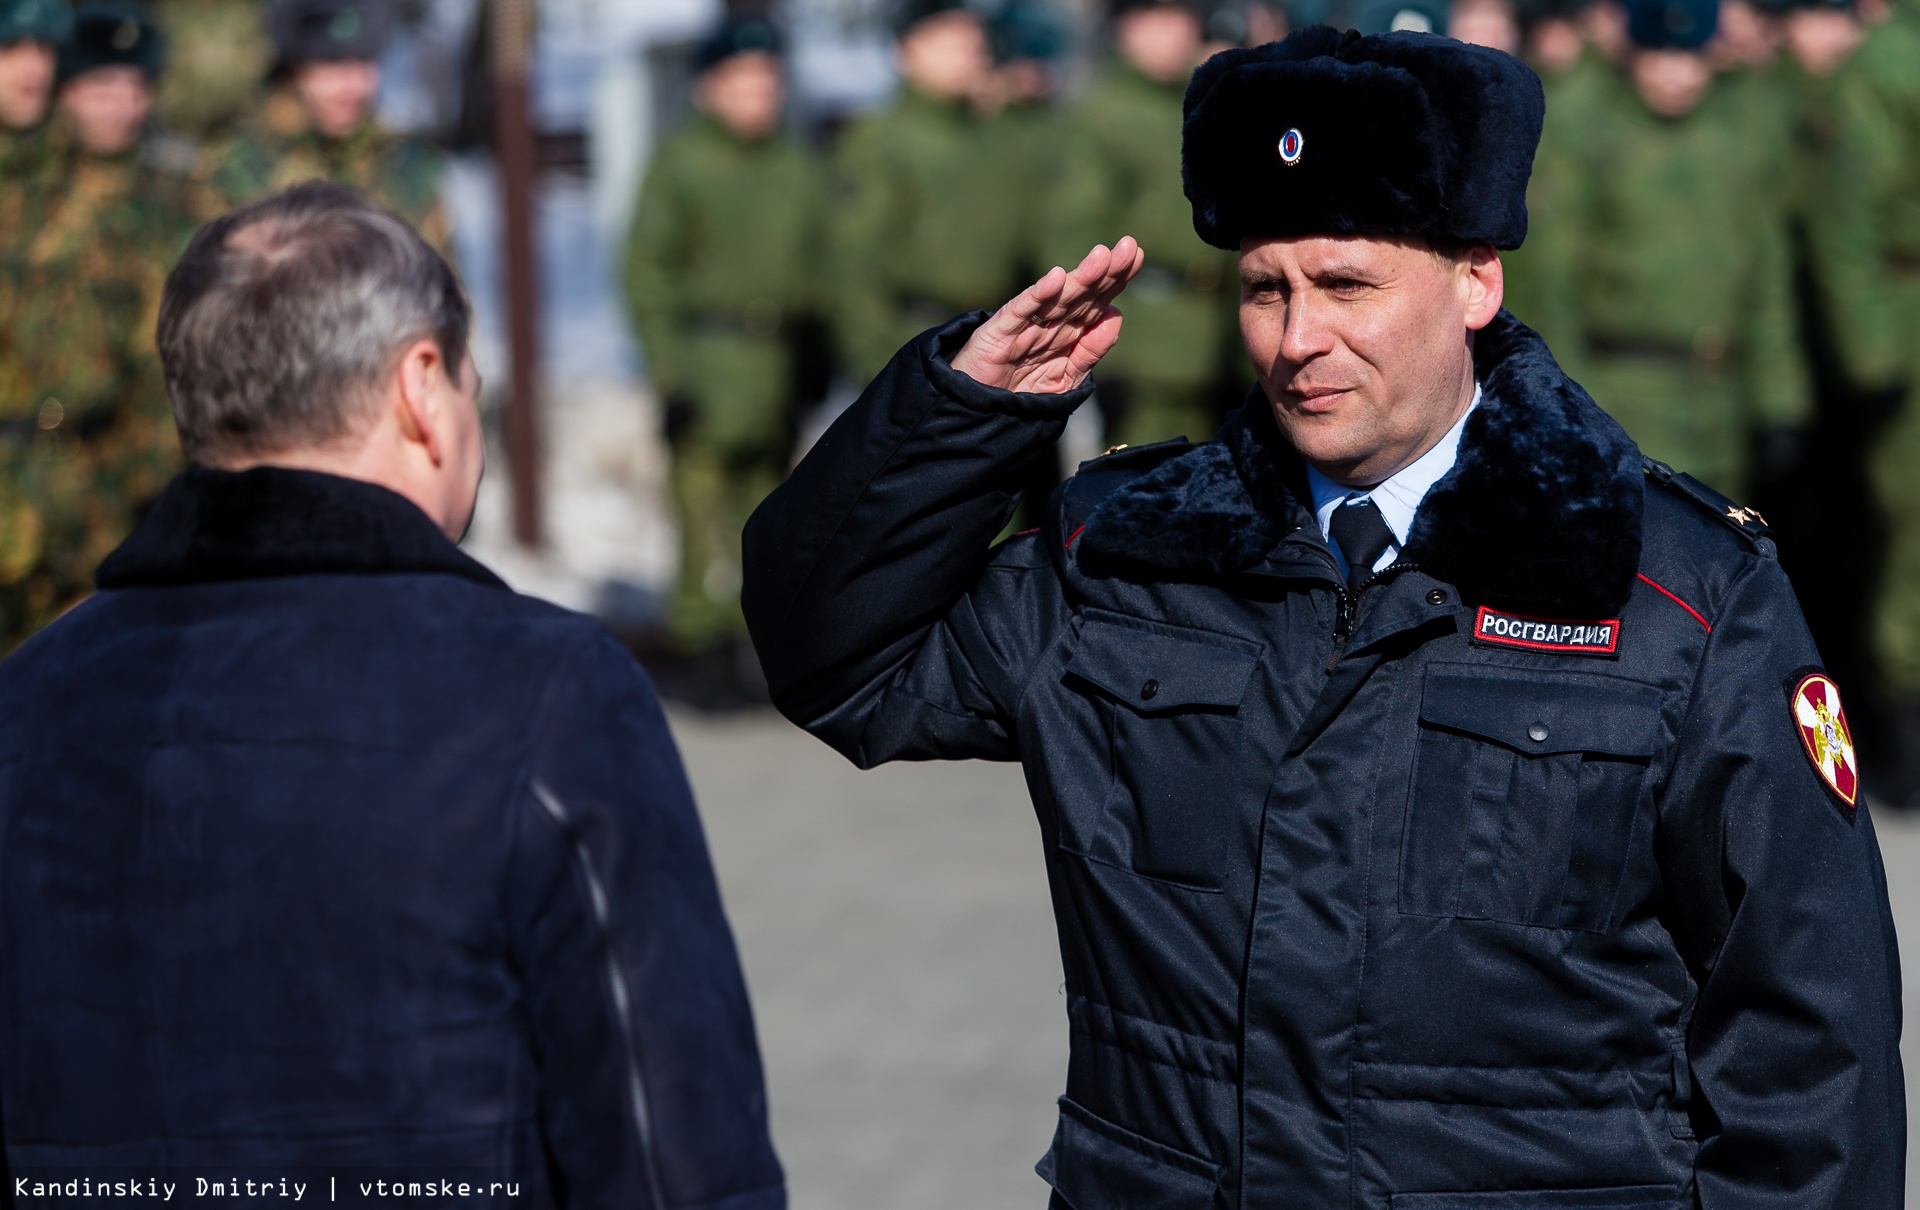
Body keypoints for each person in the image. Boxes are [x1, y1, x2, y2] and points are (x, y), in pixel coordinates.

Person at [741, 25, 1903, 1206]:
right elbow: (839, 661)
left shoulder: (1669, 593)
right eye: (1264, 288)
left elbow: (1808, 1041)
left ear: (1475, 279)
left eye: (1347, 284)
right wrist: (961, 416)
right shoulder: (1132, 554)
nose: (1299, 341)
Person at [0, 182, 786, 1207]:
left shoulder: (25, 702)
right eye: (470, 380)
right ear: (422, 384)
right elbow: (671, 1149)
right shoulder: (549, 694)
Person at [1513, 0, 1808, 498]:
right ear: (1631, 51)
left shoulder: (1738, 139)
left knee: (1719, 560)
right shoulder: (1589, 133)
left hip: (1719, 400)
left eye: (1691, 56)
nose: (1677, 75)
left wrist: (1780, 401)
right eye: (1659, 54)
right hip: (1620, 391)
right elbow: (1553, 282)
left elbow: (1766, 278)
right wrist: (1560, 399)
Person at [622, 18, 825, 676]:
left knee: (766, 516)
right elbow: (647, 273)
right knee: (698, 514)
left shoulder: (795, 166)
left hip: (773, 364)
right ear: (709, 89)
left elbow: (826, 267)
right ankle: (697, 642)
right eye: (741, 82)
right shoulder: (682, 165)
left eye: (767, 80)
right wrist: (670, 373)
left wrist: (815, 356)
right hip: (707, 363)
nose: (757, 95)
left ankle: (751, 641)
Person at [0, 0, 193, 648]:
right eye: (11, 50)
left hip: (82, 499)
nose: (30, 69)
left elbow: (139, 364)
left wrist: (130, 487)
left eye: (41, 51)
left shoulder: (95, 186)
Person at [1044, 0, 1240, 449]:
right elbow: (1074, 237)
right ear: (1124, 29)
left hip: (1217, 336)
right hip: (1143, 344)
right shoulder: (1101, 115)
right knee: (1139, 487)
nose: (1171, 33)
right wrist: (1108, 344)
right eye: (1154, 19)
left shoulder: (1206, 104)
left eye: (1181, 17)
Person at [829, 0, 1025, 386]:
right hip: (919, 343)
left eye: (973, 39)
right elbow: (855, 264)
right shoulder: (880, 141)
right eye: (949, 39)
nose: (969, 50)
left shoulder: (1000, 135)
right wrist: (879, 365)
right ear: (906, 51)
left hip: (1001, 342)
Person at [196, 0, 443, 244]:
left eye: (364, 61)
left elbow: (440, 273)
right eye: (333, 63)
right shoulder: (236, 167)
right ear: (295, 68)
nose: (352, 86)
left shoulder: (404, 162)